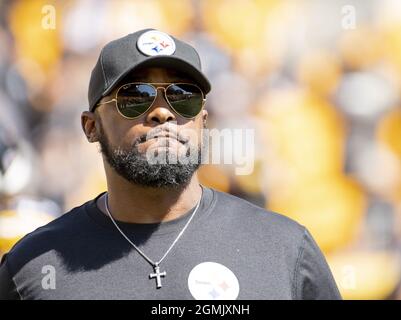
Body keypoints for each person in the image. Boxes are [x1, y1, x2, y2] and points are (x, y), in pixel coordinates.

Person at [0, 29, 341, 300]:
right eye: (135, 96)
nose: (163, 111)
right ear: (91, 126)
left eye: (182, 96)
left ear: (202, 121)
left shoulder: (283, 248)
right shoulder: (32, 267)